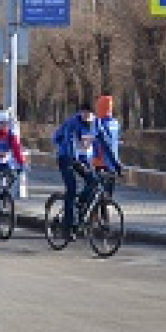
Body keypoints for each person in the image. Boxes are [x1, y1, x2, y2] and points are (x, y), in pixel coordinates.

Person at [52, 102, 121, 240]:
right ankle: (67, 227)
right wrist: (74, 159)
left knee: (94, 182)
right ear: (80, 113)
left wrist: (116, 165)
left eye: (89, 114)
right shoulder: (73, 123)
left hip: (84, 159)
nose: (86, 117)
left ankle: (82, 207)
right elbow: (70, 142)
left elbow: (106, 144)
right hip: (66, 158)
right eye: (83, 114)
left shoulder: (96, 123)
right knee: (71, 188)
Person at [92, 95, 121, 195]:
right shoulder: (116, 123)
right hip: (113, 161)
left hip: (100, 161)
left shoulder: (98, 123)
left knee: (96, 190)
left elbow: (95, 142)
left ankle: (97, 209)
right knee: (108, 192)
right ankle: (106, 208)